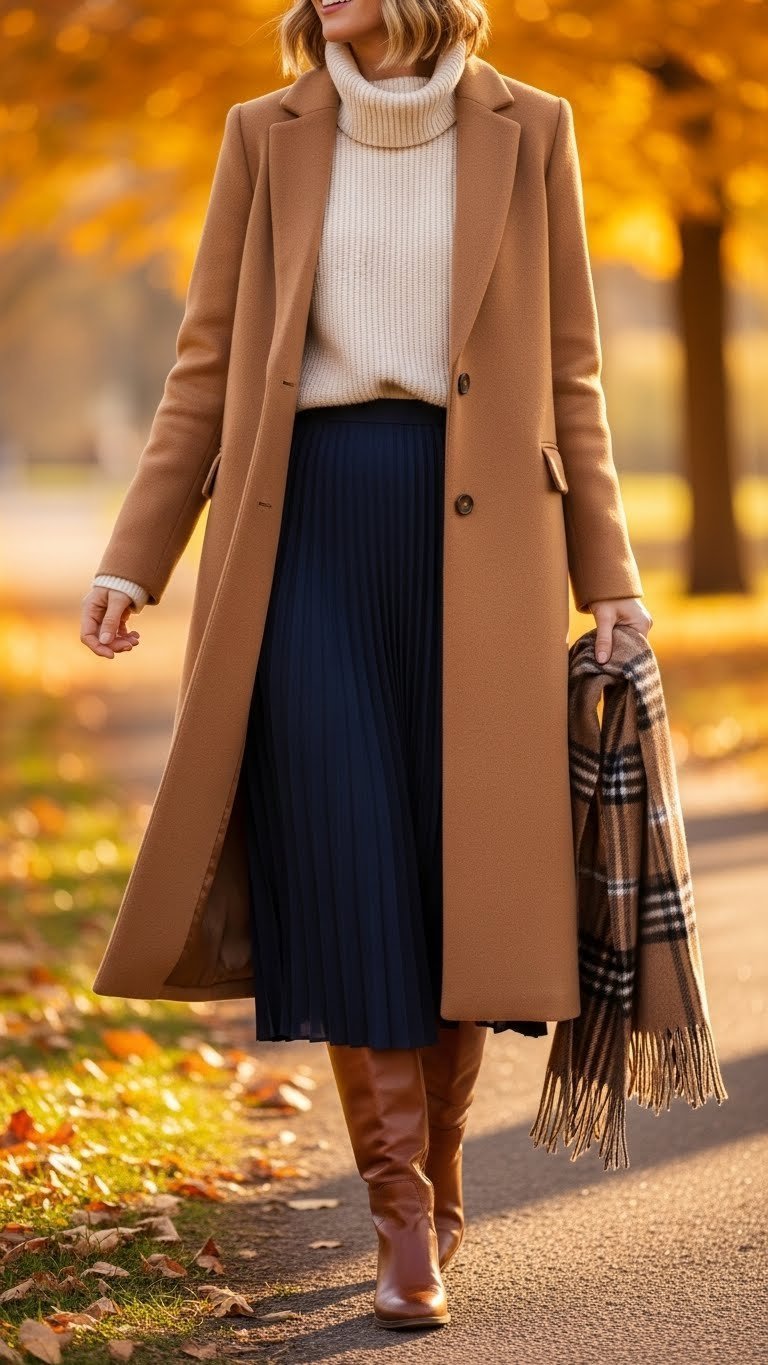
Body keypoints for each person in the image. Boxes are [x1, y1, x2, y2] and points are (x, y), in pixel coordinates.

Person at [81, 0, 653, 1332]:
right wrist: (135, 556)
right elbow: (208, 364)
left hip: (489, 544)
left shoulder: (534, 131)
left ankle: (441, 1177)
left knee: (459, 882)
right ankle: (401, 1210)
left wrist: (610, 575)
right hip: (305, 537)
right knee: (347, 857)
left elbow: (575, 371)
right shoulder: (263, 135)